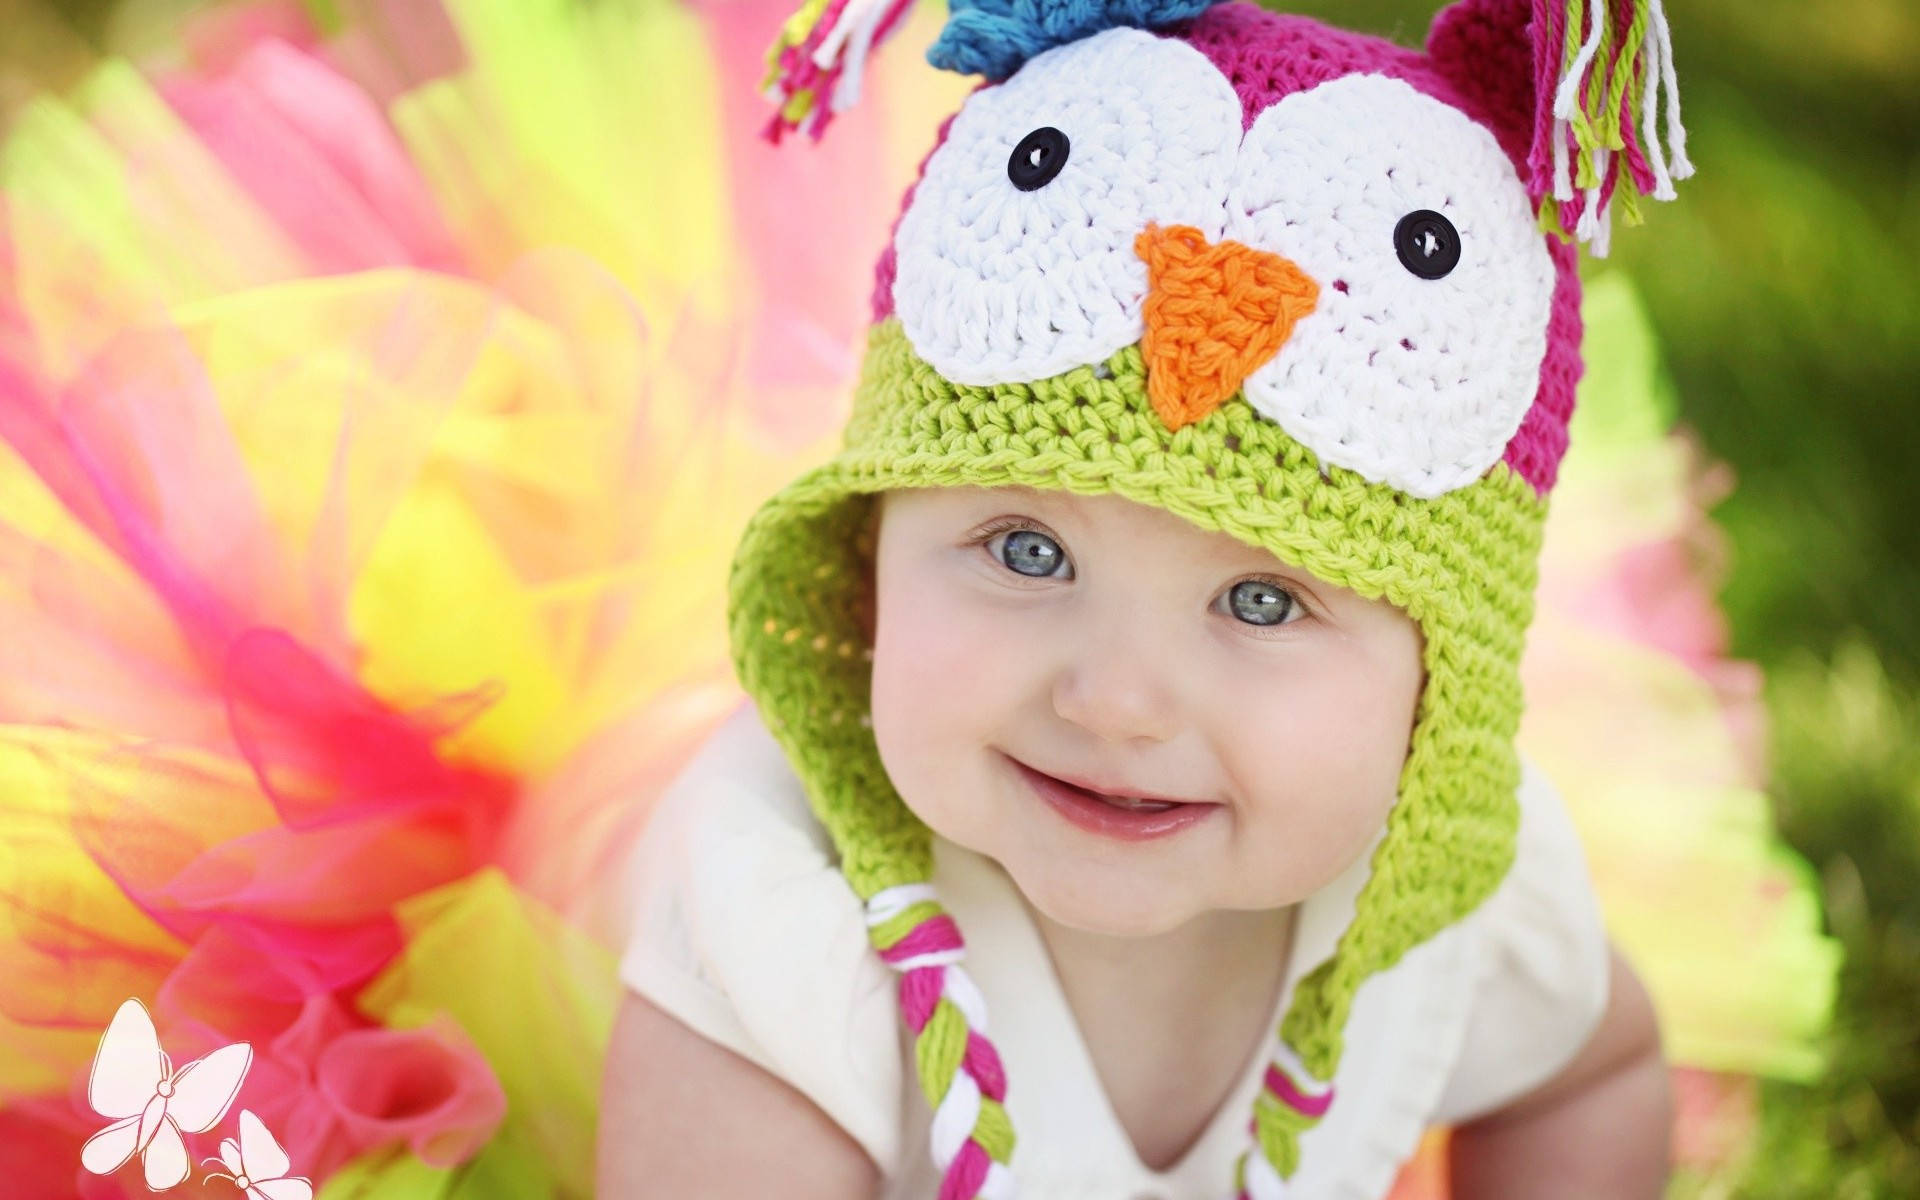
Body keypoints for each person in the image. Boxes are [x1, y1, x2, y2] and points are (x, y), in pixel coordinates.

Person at [597, 0, 1693, 1195]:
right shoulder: (773, 914)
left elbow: (1593, 1073)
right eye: (1024, 551)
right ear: (867, 551)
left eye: (1264, 604)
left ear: (1439, 680)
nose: (1117, 701)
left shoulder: (1456, 897)